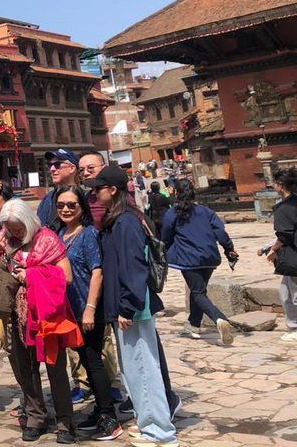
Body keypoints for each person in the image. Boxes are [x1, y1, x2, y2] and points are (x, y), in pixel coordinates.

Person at [86, 165, 177, 447]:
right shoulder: (117, 221)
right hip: (125, 307)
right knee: (134, 371)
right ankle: (147, 421)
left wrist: (128, 306)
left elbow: (134, 267)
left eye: (98, 188)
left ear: (112, 190)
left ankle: (160, 432)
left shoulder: (125, 222)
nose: (93, 194)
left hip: (133, 309)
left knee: (143, 368)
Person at [0, 200, 80, 444]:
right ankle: (36, 416)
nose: (15, 233)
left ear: (28, 222)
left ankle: (65, 421)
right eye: (10, 228)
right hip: (17, 314)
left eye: (18, 228)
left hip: (46, 315)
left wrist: (31, 275)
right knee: (24, 367)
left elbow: (66, 276)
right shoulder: (7, 238)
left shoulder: (47, 240)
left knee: (55, 368)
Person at [52, 188, 122, 441]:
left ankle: (109, 418)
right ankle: (100, 410)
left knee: (94, 362)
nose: (66, 209)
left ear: (81, 206)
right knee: (85, 361)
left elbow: (97, 271)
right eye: (61, 205)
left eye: (71, 205)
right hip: (69, 309)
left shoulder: (88, 234)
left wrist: (90, 308)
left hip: (87, 309)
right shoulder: (60, 234)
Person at [161, 179, 237, 345]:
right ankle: (193, 325)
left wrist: (163, 252)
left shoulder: (173, 213)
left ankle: (219, 319)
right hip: (209, 256)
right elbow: (221, 233)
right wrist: (229, 249)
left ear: (176, 192)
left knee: (198, 292)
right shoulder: (206, 211)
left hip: (189, 258)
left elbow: (165, 236)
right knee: (199, 290)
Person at [268, 168, 297, 340]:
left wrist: (273, 250)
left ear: (280, 185)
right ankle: (292, 325)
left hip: (293, 255)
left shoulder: (284, 207)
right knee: (285, 292)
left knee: (293, 294)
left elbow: (284, 235)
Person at [36, 148, 80, 230]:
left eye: (57, 165)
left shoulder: (84, 198)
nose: (52, 169)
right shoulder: (47, 199)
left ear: (72, 168)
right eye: (50, 165)